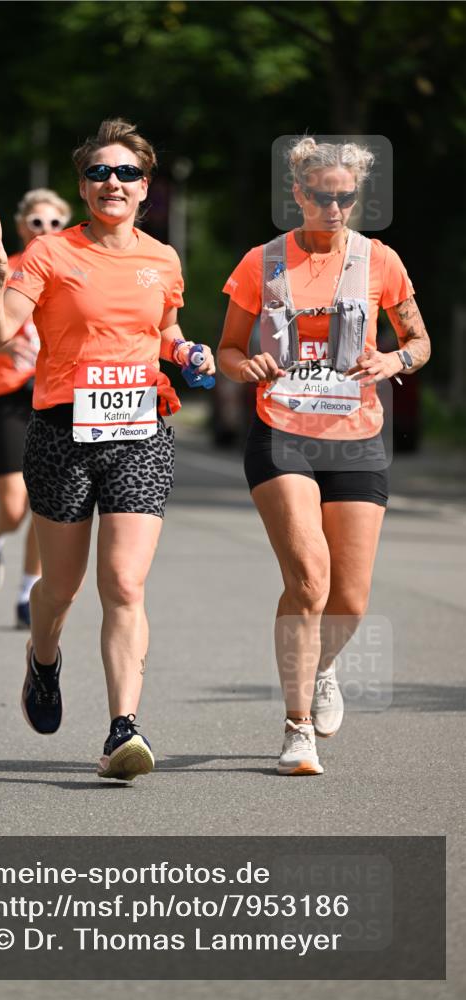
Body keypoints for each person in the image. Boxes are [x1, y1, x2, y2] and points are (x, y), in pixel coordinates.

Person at [0, 118, 215, 780]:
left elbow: (163, 328)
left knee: (125, 583)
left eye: (126, 173)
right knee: (62, 588)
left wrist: (185, 349)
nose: (113, 183)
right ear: (83, 187)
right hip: (61, 434)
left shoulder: (162, 258)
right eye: (100, 173)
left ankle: (121, 732)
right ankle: (42, 658)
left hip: (139, 433)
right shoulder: (50, 255)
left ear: (145, 187)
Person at [217, 137, 431, 776]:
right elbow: (227, 348)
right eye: (322, 196)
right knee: (309, 578)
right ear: (299, 195)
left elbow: (418, 340)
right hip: (282, 431)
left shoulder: (379, 261)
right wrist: (244, 363)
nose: (335, 207)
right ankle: (296, 727)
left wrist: (393, 359)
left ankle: (324, 669)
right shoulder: (264, 261)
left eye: (346, 197)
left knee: (352, 598)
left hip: (358, 434)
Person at [0, 189, 71, 628]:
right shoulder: (2, 266)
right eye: (37, 223)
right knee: (13, 507)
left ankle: (28, 593)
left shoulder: (73, 268)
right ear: (23, 226)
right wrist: (5, 351)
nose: (45, 231)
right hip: (7, 397)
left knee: (44, 503)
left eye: (55, 224)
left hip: (55, 395)